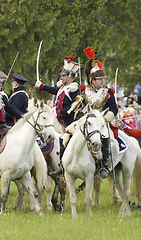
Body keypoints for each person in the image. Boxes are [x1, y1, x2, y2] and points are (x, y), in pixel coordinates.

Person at [52, 47, 118, 178]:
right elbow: (80, 105)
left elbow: (114, 109)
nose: (102, 81)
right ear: (92, 80)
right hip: (86, 120)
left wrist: (105, 119)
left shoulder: (108, 92)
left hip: (102, 121)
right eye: (100, 79)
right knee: (67, 134)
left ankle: (104, 166)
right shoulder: (84, 90)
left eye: (103, 79)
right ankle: (63, 164)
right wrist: (77, 106)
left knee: (104, 137)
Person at [35, 55, 80, 128]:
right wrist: (42, 86)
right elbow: (55, 90)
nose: (61, 78)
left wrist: (59, 113)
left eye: (64, 76)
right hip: (57, 116)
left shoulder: (75, 89)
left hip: (68, 119)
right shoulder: (63, 87)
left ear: (70, 77)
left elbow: (73, 107)